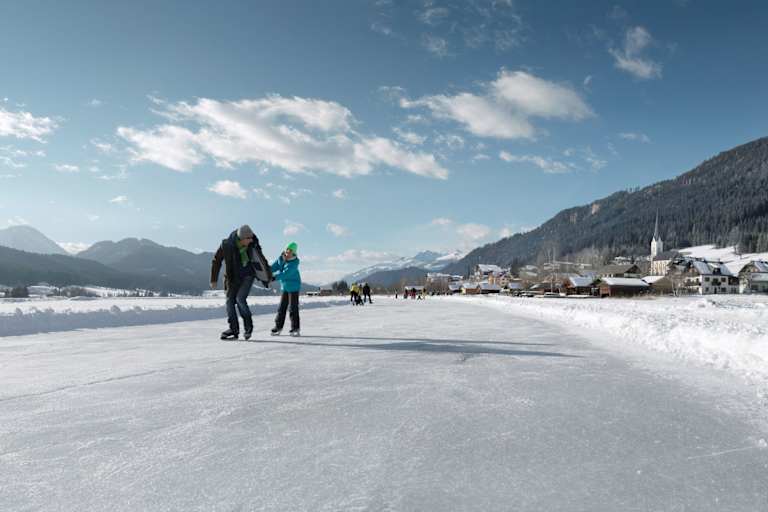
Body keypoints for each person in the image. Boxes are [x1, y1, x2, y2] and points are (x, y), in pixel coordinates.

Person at [211, 225, 272, 340]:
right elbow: (216, 260)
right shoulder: (226, 245)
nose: (250, 241)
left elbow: (261, 260)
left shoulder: (253, 244)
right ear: (241, 238)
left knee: (240, 299)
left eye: (251, 238)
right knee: (229, 302)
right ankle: (233, 329)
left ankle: (248, 327)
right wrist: (213, 279)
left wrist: (267, 277)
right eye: (248, 239)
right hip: (232, 277)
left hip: (248, 275)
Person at [270, 242, 302, 336]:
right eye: (287, 250)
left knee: (293, 308)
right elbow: (274, 267)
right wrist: (267, 271)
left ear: (294, 253)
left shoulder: (294, 263)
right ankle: (278, 327)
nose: (288, 253)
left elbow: (285, 274)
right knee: (281, 308)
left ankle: (295, 328)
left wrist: (274, 277)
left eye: (290, 251)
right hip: (285, 287)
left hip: (294, 287)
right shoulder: (281, 259)